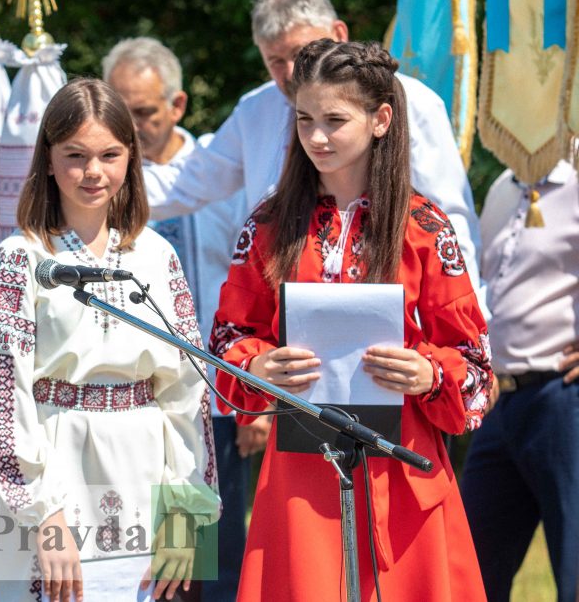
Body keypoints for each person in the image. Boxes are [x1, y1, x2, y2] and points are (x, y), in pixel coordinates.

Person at [210, 40, 492, 601]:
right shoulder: (267, 226)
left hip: (404, 472)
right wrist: (260, 364)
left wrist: (427, 372)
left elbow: (477, 369)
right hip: (300, 474)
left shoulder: (426, 229)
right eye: (305, 119)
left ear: (381, 118)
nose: (316, 137)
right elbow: (227, 340)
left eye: (335, 120)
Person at [0, 78, 220, 601]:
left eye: (110, 154)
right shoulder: (22, 257)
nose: (92, 172)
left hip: (145, 471)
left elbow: (185, 393)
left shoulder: (157, 256)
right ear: (48, 158)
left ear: (131, 157)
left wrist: (183, 514)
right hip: (54, 468)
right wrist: (42, 515)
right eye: (75, 155)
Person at [142, 0, 484, 302]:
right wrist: (108, 186)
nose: (290, 72)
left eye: (300, 52)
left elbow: (449, 225)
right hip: (282, 319)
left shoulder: (412, 102)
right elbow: (189, 180)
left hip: (387, 309)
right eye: (275, 61)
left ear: (339, 34)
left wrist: (467, 332)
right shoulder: (255, 110)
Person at [102, 36, 247, 601]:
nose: (133, 129)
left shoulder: (220, 173)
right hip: (130, 402)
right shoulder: (99, 183)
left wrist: (251, 403)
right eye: (122, 113)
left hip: (212, 399)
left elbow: (254, 282)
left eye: (145, 113)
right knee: (143, 558)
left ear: (178, 105)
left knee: (209, 560)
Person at [460, 159, 579, 602]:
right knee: (471, 570)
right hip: (499, 401)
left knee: (575, 570)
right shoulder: (503, 187)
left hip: (564, 398)